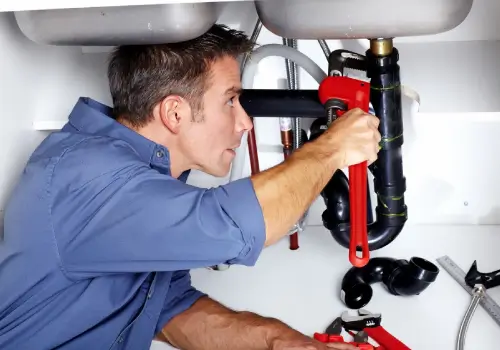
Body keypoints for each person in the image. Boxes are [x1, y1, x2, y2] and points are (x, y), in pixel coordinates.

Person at [0, 24, 381, 350]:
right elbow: (235, 227)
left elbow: (171, 309)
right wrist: (332, 148)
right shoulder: (90, 178)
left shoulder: (141, 179)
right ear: (175, 112)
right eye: (231, 100)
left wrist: (278, 342)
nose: (245, 122)